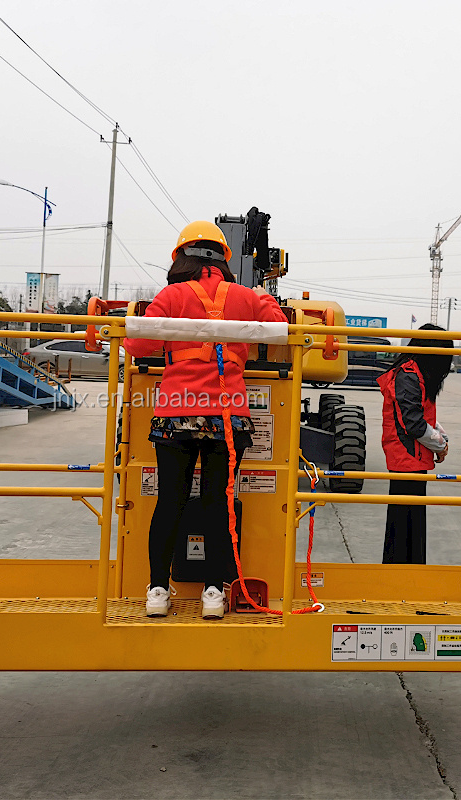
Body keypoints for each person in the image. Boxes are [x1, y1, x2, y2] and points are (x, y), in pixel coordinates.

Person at [123, 220, 287, 618]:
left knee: (169, 504)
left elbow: (139, 344)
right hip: (228, 416)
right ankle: (214, 593)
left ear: (181, 257)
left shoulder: (172, 295)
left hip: (176, 413)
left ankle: (158, 592)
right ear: (224, 260)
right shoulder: (245, 296)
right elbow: (281, 329)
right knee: (219, 504)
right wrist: (263, 297)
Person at [376, 324, 453, 564]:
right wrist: (440, 445)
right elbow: (413, 423)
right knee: (404, 524)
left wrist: (442, 439)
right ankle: (402, 574)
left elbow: (422, 415)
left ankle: (408, 571)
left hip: (411, 459)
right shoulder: (408, 375)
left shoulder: (414, 373)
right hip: (405, 459)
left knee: (409, 522)